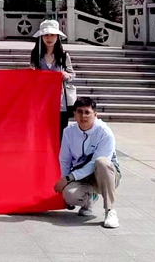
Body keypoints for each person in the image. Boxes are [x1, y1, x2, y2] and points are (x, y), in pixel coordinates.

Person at [54, 96, 120, 228]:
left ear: (95, 114)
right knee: (69, 195)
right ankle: (89, 200)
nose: (83, 116)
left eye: (87, 112)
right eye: (79, 112)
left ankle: (110, 210)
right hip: (82, 176)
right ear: (74, 114)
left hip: (105, 175)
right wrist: (65, 181)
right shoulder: (68, 132)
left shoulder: (105, 132)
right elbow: (65, 160)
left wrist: (69, 178)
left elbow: (94, 163)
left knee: (102, 162)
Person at [30, 18, 76, 137]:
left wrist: (66, 75)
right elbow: (32, 76)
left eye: (52, 35)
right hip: (42, 101)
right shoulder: (36, 55)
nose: (49, 38)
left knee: (60, 134)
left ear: (57, 37)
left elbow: (72, 74)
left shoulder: (63, 55)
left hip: (60, 102)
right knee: (43, 134)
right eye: (46, 35)